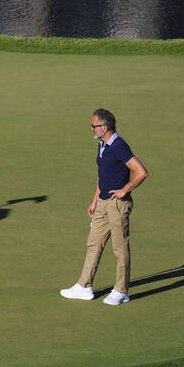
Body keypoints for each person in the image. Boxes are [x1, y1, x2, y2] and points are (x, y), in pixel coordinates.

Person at [61, 108, 148, 306]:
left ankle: (121, 291)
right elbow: (103, 175)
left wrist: (124, 190)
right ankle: (84, 286)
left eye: (94, 126)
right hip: (102, 203)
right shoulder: (102, 144)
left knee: (119, 247)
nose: (91, 129)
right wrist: (95, 200)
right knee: (94, 243)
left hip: (117, 205)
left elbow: (141, 172)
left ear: (104, 127)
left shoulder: (119, 146)